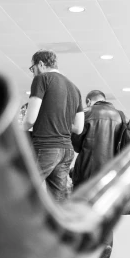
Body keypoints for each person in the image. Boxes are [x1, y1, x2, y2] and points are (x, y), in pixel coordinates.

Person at [22, 50, 84, 203]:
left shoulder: (42, 79)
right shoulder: (75, 88)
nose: (33, 72)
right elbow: (78, 128)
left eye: (33, 68)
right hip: (67, 151)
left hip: (46, 146)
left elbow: (30, 119)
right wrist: (56, 119)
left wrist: (17, 131)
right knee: (57, 201)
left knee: (21, 190)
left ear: (41, 64)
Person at [71, 90, 124, 189]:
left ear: (88, 101)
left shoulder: (86, 113)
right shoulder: (120, 116)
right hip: (111, 174)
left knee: (81, 203)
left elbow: (77, 146)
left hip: (87, 173)